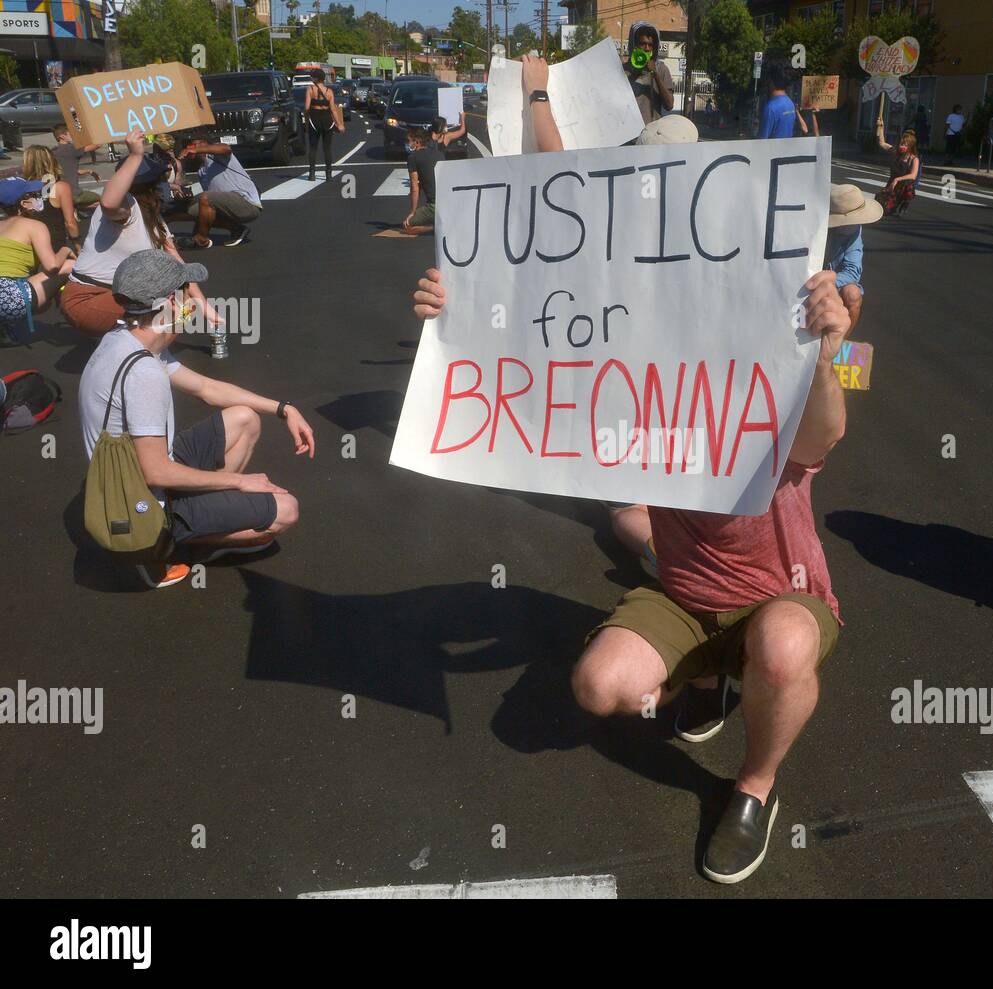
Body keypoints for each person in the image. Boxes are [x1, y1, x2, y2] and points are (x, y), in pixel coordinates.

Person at [412, 258, 851, 884]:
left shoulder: (765, 380)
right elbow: (530, 369)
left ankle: (754, 788)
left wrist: (826, 359)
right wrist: (456, 320)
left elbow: (822, 438)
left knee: (781, 648)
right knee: (598, 686)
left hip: (782, 597)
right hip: (686, 594)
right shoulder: (638, 385)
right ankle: (710, 678)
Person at [77, 248, 313, 588]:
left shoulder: (127, 341)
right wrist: (240, 482)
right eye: (185, 294)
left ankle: (200, 515)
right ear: (168, 303)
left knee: (245, 419)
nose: (191, 303)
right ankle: (166, 545)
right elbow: (155, 471)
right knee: (287, 509)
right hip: (139, 501)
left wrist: (283, 408)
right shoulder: (143, 372)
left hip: (139, 470)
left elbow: (206, 388)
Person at [61, 130, 222, 337]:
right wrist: (135, 156)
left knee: (184, 304)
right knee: (167, 313)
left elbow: (179, 266)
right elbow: (109, 202)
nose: (162, 185)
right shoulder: (127, 206)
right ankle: (140, 354)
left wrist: (207, 309)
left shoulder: (153, 219)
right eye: (158, 181)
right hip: (88, 298)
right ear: (149, 186)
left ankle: (138, 348)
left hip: (119, 296)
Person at [0, 177, 75, 344]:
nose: (39, 197)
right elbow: (52, 266)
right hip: (11, 298)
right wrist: (65, 249)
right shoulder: (34, 225)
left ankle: (4, 327)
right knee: (70, 265)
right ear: (25, 203)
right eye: (34, 194)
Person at [176, 137, 263, 248]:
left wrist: (197, 150)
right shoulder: (202, 171)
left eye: (192, 146)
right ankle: (237, 229)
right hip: (230, 207)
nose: (189, 150)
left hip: (247, 204)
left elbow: (225, 148)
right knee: (191, 209)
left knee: (206, 197)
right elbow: (208, 206)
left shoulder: (216, 156)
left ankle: (201, 239)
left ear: (203, 144)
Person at [824, 183, 880, 331]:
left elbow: (852, 271)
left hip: (828, 279)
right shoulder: (815, 227)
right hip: (807, 275)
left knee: (853, 295)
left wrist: (826, 281)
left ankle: (840, 342)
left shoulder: (854, 232)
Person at [21, 145, 79, 253]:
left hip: (27, 242)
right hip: (52, 243)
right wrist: (77, 245)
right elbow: (70, 222)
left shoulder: (21, 187)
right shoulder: (59, 187)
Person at [624, 22, 675, 125]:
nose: (647, 48)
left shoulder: (661, 69)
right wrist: (636, 72)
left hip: (651, 135)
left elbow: (669, 105)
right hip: (628, 134)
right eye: (642, 44)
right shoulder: (624, 70)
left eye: (650, 45)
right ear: (634, 45)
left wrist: (655, 73)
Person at [304, 68, 343, 182]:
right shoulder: (329, 91)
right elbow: (333, 110)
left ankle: (312, 174)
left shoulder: (310, 89)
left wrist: (307, 122)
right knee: (327, 148)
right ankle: (329, 174)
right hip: (327, 120)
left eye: (312, 77)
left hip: (314, 119)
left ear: (315, 78)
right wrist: (339, 124)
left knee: (313, 148)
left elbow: (306, 108)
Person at [51, 123, 102, 210]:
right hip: (74, 194)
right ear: (62, 136)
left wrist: (89, 171)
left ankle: (75, 209)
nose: (74, 136)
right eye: (71, 134)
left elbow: (69, 171)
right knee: (102, 200)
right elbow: (97, 145)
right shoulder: (72, 148)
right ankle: (77, 208)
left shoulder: (54, 151)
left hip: (59, 194)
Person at [874, 119, 919, 215]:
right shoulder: (895, 152)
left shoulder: (914, 159)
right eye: (901, 144)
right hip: (892, 184)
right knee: (884, 208)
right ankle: (894, 204)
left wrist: (897, 179)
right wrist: (881, 127)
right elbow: (882, 143)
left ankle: (905, 203)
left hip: (904, 185)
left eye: (905, 145)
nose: (901, 146)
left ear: (910, 146)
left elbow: (913, 175)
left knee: (909, 191)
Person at [758, 65, 798, 140]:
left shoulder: (770, 108)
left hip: (773, 151)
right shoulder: (790, 103)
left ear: (771, 82)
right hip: (787, 149)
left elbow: (762, 141)